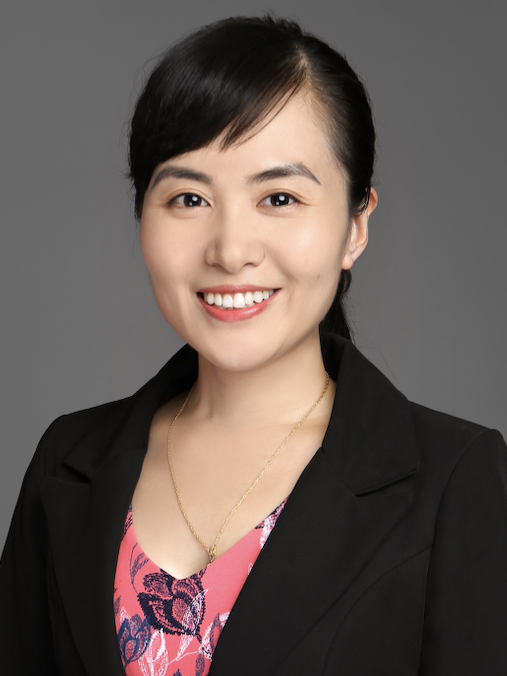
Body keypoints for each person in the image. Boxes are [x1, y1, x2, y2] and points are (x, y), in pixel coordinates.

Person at [1, 14, 506, 676]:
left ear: (355, 226)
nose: (230, 250)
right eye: (188, 198)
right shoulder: (67, 460)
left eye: (279, 198)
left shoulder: (453, 481)